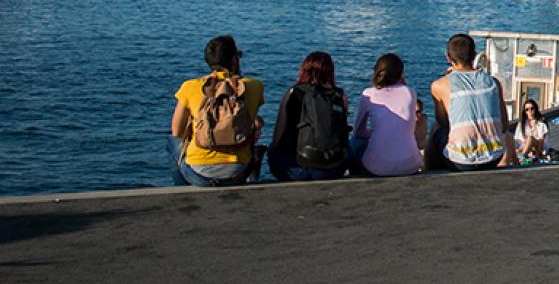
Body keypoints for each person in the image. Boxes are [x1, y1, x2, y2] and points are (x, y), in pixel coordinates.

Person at [169, 35, 264, 187]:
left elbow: (177, 132)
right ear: (234, 60)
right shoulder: (254, 86)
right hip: (239, 172)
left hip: (198, 175)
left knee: (172, 142)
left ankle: (182, 190)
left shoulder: (190, 86)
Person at [428, 34, 514, 171]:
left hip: (462, 162)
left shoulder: (439, 86)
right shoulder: (494, 83)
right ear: (474, 55)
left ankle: (431, 173)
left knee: (435, 129)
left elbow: (444, 122)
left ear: (448, 57)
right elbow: (504, 126)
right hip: (494, 157)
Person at [267, 51, 350, 182]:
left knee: (272, 149)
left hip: (295, 170)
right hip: (332, 170)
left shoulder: (292, 94)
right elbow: (342, 137)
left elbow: (278, 139)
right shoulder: (338, 96)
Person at [352, 53, 426, 177]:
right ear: (401, 74)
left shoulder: (368, 94)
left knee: (355, 142)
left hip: (377, 168)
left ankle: (354, 175)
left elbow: (358, 132)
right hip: (410, 165)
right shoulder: (410, 92)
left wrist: (377, 132)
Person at [513, 100, 548, 164]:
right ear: (525, 111)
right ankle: (527, 155)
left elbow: (541, 142)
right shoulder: (522, 124)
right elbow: (521, 142)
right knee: (514, 151)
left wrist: (538, 154)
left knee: (530, 138)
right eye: (527, 109)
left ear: (535, 109)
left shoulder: (541, 123)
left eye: (532, 108)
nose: (530, 111)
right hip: (526, 147)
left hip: (539, 147)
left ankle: (523, 157)